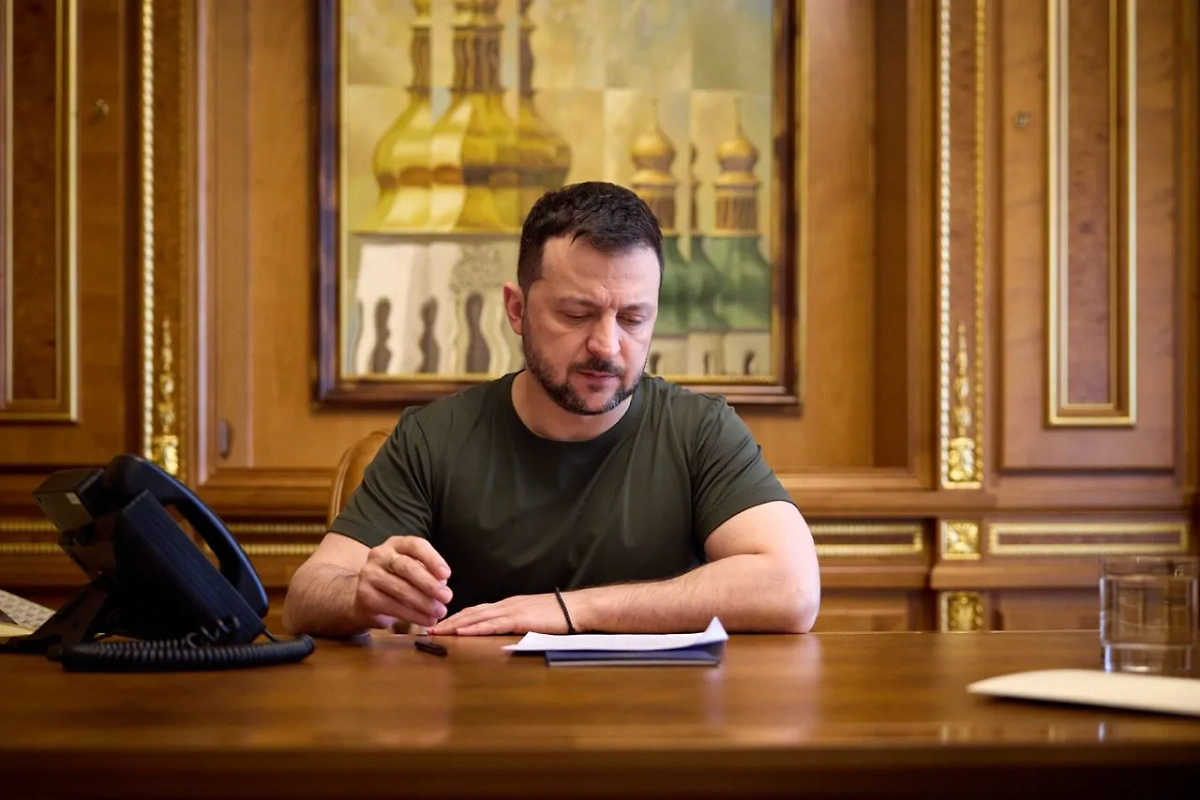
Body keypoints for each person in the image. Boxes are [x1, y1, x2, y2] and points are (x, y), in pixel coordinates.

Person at [282, 181, 820, 638]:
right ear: (517, 309)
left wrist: (569, 610)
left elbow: (793, 588)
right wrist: (360, 594)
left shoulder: (699, 431)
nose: (607, 345)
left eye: (633, 319)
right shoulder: (434, 437)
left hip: (659, 719)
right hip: (483, 716)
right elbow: (306, 596)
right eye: (576, 314)